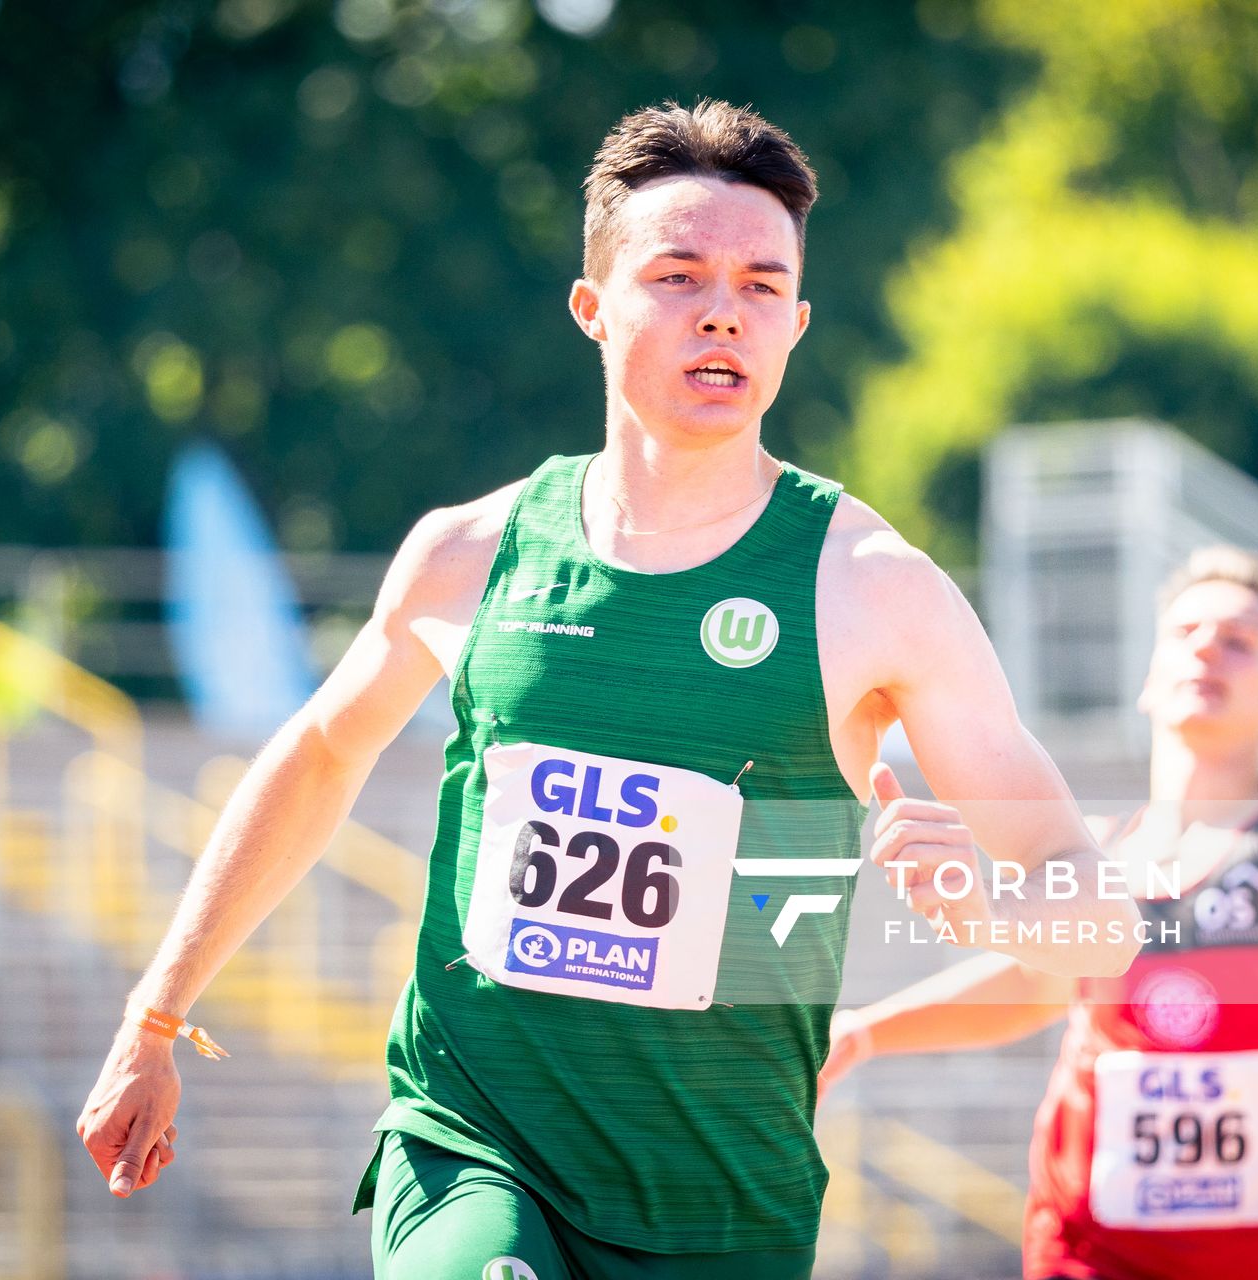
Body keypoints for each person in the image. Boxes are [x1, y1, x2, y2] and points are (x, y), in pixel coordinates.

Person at [78, 99, 1143, 1278]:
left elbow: (1102, 921)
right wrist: (155, 1014)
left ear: (795, 322)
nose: (722, 311)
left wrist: (987, 910)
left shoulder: (874, 590)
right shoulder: (469, 553)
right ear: (594, 307)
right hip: (475, 1144)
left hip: (720, 1200)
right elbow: (323, 755)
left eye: (758, 283)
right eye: (679, 276)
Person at [821, 546, 1258, 1280]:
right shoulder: (1096, 855)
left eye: (1240, 643)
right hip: (1080, 1252)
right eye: (1186, 633)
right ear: (1149, 680)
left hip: (1252, 1262)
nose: (1208, 648)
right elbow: (1034, 987)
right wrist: (863, 1033)